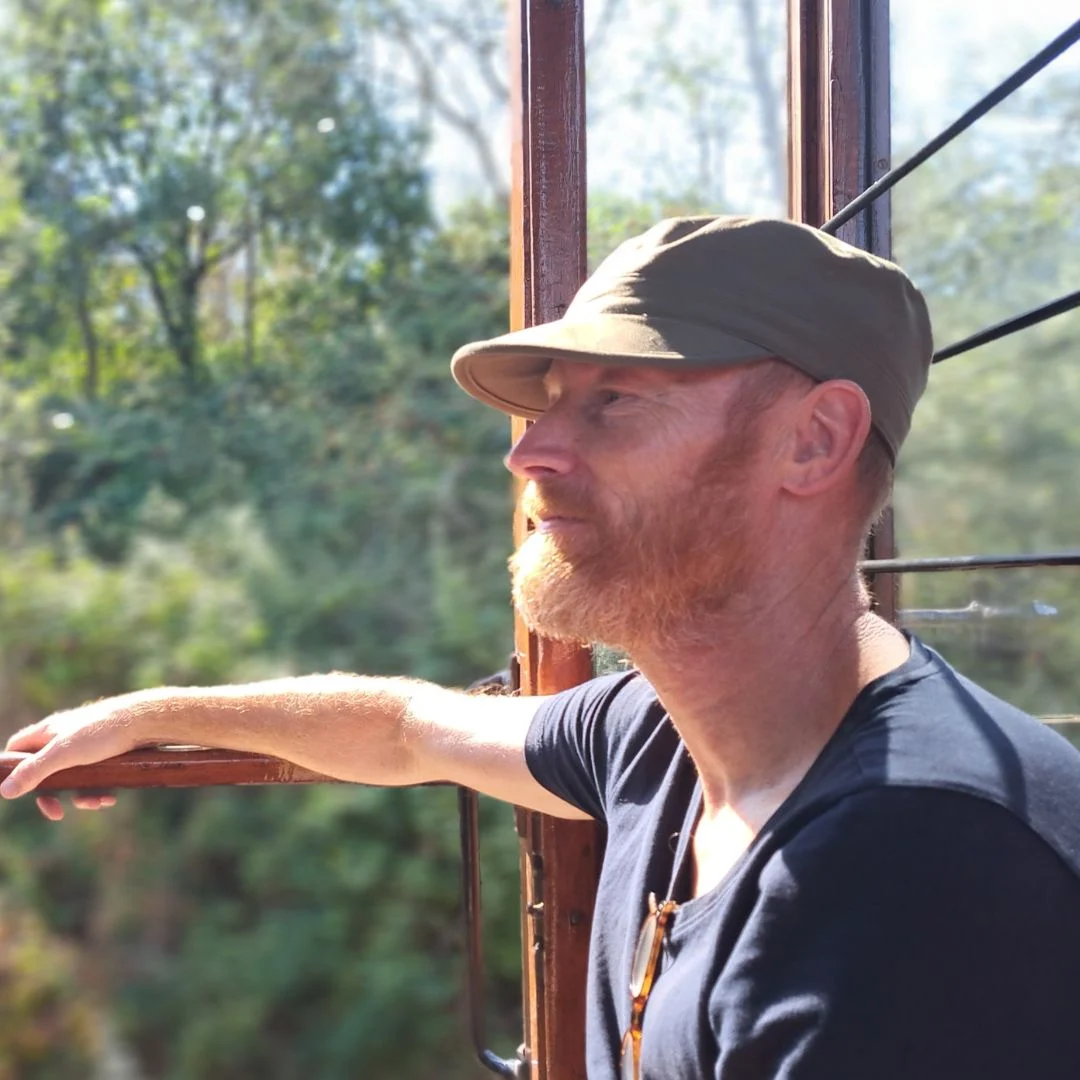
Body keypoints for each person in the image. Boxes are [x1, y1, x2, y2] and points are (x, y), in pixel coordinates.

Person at [4, 215, 1080, 1079]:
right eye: (550, 404)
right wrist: (153, 714)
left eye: (615, 403)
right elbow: (406, 726)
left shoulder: (922, 876)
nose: (529, 451)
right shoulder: (658, 731)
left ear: (816, 439)